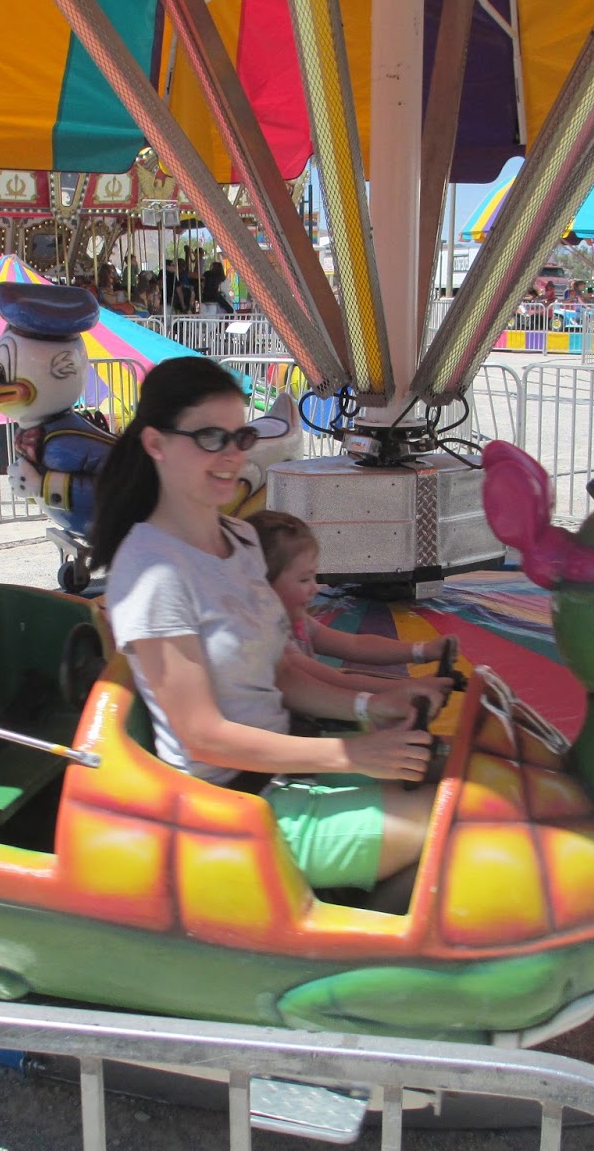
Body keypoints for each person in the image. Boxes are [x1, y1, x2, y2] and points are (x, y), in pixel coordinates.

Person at [90, 357, 439, 891]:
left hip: (284, 767)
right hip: (226, 810)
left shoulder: (244, 540)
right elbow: (201, 736)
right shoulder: (152, 572)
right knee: (454, 828)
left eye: (241, 436)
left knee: (459, 778)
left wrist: (372, 706)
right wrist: (350, 755)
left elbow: (278, 674)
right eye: (210, 437)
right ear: (156, 444)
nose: (232, 455)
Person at [248, 510, 456, 701]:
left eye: (313, 578)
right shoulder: (271, 644)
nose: (315, 589)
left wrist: (421, 651)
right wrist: (412, 687)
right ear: (263, 586)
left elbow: (354, 645)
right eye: (304, 580)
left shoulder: (297, 623)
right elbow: (335, 682)